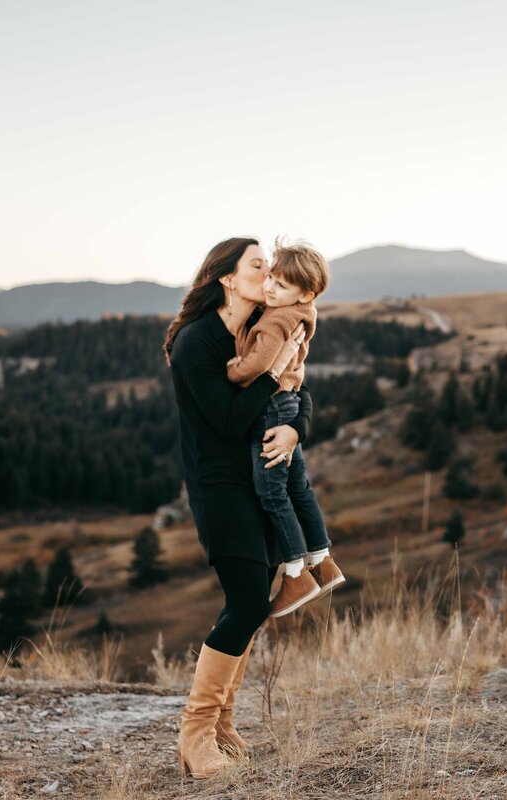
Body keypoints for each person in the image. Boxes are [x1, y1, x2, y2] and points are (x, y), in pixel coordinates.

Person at [163, 237, 310, 779]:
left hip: (263, 480)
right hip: (219, 485)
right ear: (227, 278)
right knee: (247, 601)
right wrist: (273, 374)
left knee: (256, 599)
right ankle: (195, 734)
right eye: (256, 265)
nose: (268, 273)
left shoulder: (259, 331)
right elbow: (226, 421)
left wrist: (295, 427)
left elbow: (300, 392)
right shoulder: (197, 342)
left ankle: (222, 722)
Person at [226, 239, 345, 618]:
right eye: (271, 278)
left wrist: (231, 370)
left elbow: (258, 365)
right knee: (299, 487)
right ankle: (322, 559)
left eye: (281, 284)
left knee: (271, 492)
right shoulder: (300, 311)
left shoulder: (278, 319)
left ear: (305, 292)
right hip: (288, 403)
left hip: (271, 408)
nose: (270, 287)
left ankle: (295, 572)